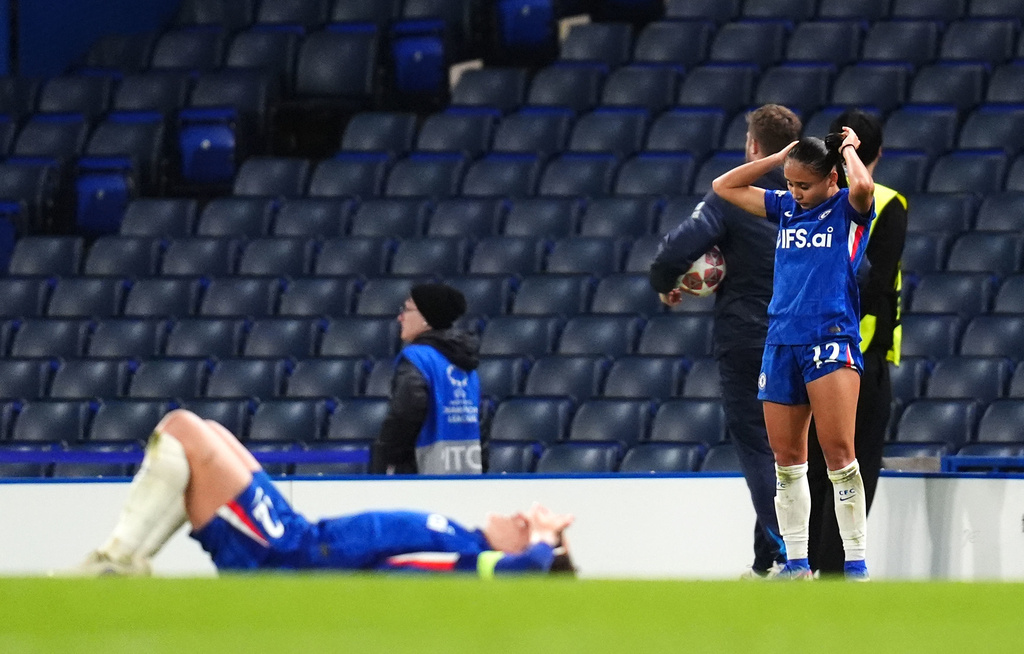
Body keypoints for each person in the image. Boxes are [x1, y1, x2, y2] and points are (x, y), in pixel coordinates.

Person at [76, 409, 575, 576]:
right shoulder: (464, 543)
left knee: (183, 429)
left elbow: (526, 571)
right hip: (299, 538)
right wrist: (544, 542)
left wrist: (548, 543)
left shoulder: (473, 562)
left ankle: (116, 561)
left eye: (526, 527)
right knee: (210, 430)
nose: (519, 516)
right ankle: (123, 563)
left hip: (288, 557)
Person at [711, 125, 876, 580]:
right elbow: (724, 186)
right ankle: (798, 565)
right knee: (787, 461)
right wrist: (779, 156)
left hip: (830, 337)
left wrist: (846, 149)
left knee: (840, 455)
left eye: (804, 184)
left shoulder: (848, 209)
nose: (795, 192)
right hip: (781, 340)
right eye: (790, 183)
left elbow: (862, 184)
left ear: (831, 180)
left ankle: (857, 564)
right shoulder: (785, 208)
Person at [649, 104, 802, 578]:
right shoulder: (815, 198)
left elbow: (677, 248)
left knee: (761, 450)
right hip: (807, 340)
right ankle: (768, 564)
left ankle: (793, 557)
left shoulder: (734, 196)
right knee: (791, 453)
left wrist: (664, 280)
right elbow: (857, 267)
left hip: (749, 337)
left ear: (754, 146)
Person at [806, 110, 907, 575]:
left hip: (806, 351)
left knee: (810, 468)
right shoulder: (886, 203)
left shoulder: (810, 198)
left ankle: (804, 570)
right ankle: (832, 576)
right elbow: (878, 283)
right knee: (853, 468)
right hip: (858, 353)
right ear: (878, 155)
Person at [371, 282, 483, 475]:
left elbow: (405, 414)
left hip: (422, 477)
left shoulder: (418, 358)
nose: (400, 317)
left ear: (426, 318)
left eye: (406, 310)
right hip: (467, 474)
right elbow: (480, 423)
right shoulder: (467, 364)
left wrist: (384, 461)